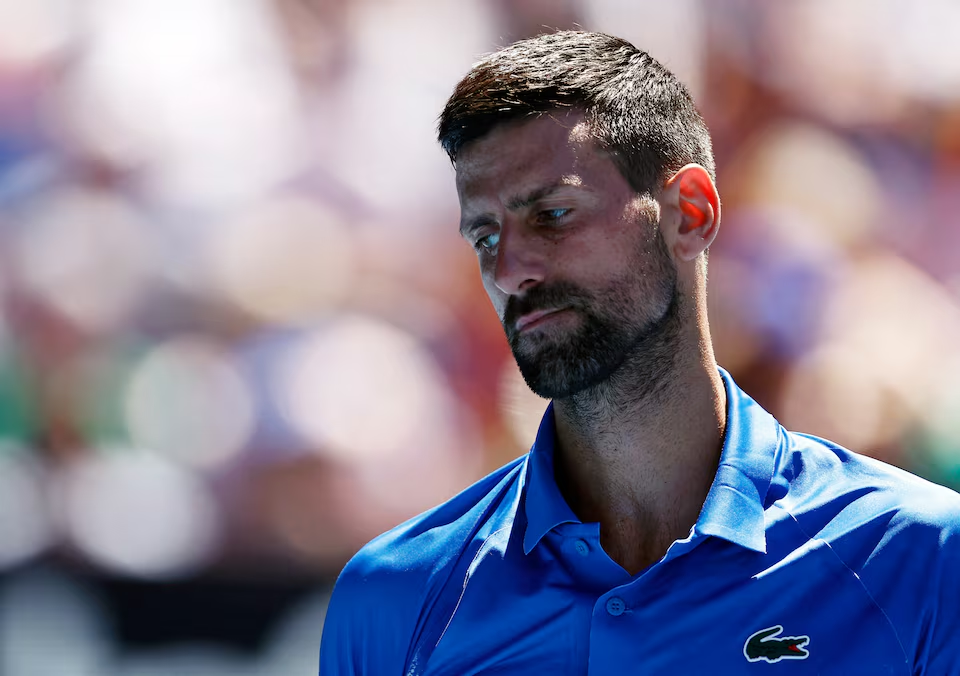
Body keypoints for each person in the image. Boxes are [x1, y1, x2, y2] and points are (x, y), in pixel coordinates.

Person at [319, 31, 960, 674]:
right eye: (485, 238)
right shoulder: (394, 598)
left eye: (553, 214)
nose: (510, 269)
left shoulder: (923, 558)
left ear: (690, 213)